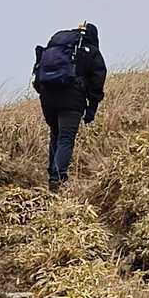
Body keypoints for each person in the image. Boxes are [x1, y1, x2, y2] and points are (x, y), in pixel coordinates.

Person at [32, 23, 106, 189]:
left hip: (48, 97)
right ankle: (58, 178)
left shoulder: (60, 46)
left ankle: (52, 175)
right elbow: (97, 81)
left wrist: (45, 93)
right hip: (72, 99)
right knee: (66, 137)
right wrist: (92, 108)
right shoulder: (91, 51)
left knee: (55, 134)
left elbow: (38, 75)